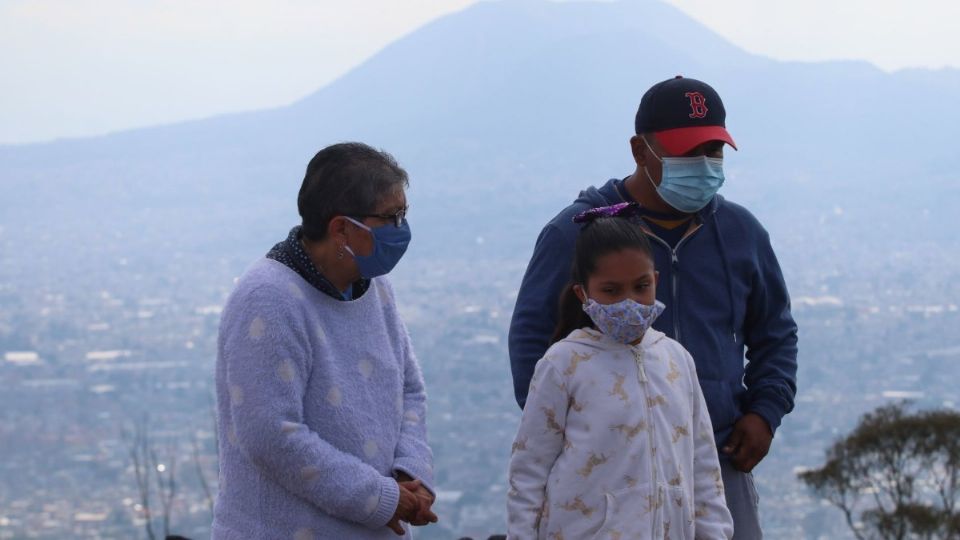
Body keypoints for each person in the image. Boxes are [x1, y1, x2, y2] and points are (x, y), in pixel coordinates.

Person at [508, 76, 798, 538]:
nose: (702, 165)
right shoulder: (579, 232)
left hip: (713, 461)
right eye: (686, 152)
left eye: (714, 151)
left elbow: (776, 333)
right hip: (603, 477)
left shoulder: (742, 233)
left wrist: (765, 411)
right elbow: (530, 342)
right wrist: (580, 434)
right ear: (640, 151)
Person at [213, 142, 437, 539]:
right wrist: (378, 498)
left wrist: (408, 472)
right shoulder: (268, 298)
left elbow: (410, 389)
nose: (402, 229)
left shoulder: (374, 287)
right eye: (391, 216)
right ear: (341, 228)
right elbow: (270, 434)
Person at [506, 206, 734, 539]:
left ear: (656, 281)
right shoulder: (564, 364)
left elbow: (702, 464)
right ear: (583, 294)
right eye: (611, 291)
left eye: (641, 286)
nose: (629, 301)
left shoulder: (677, 360)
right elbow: (530, 469)